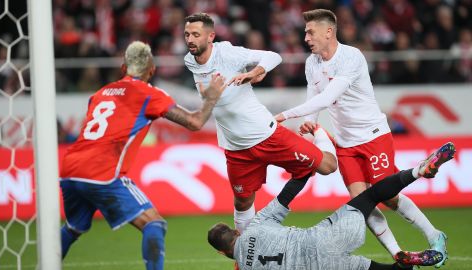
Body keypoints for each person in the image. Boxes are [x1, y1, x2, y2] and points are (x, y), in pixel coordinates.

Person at [274, 9, 448, 267]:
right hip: (345, 145)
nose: (306, 37)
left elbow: (327, 97)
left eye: (310, 32)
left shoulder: (351, 57)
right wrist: (312, 126)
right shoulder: (312, 63)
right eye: (305, 32)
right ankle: (399, 255)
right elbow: (314, 99)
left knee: (387, 197)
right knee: (362, 205)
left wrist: (284, 115)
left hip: (373, 136)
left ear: (328, 31)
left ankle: (435, 235)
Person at [59, 41, 227, 270]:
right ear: (152, 70)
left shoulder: (99, 94)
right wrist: (211, 98)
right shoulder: (148, 93)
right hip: (101, 171)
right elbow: (195, 122)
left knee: (74, 227)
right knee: (154, 225)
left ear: (122, 67)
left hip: (69, 169)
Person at [183, 13, 338, 234]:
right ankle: (246, 257)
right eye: (187, 34)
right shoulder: (190, 60)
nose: (190, 39)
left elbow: (274, 56)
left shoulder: (227, 53)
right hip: (235, 147)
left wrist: (256, 71)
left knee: (328, 167)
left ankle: (320, 132)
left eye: (196, 34)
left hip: (267, 135)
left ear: (211, 37)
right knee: (242, 202)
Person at [208, 142, 455, 270]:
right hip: (323, 239)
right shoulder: (256, 226)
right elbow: (286, 196)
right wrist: (305, 168)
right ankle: (417, 171)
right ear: (237, 231)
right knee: (369, 197)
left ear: (222, 253)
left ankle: (404, 262)